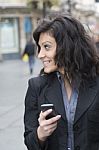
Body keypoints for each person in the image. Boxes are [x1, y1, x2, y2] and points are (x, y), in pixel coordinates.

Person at [24, 13, 99, 150]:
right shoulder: (36, 87)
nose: (40, 55)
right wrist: (41, 134)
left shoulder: (96, 83)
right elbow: (30, 142)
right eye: (39, 48)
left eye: (46, 47)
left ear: (67, 46)